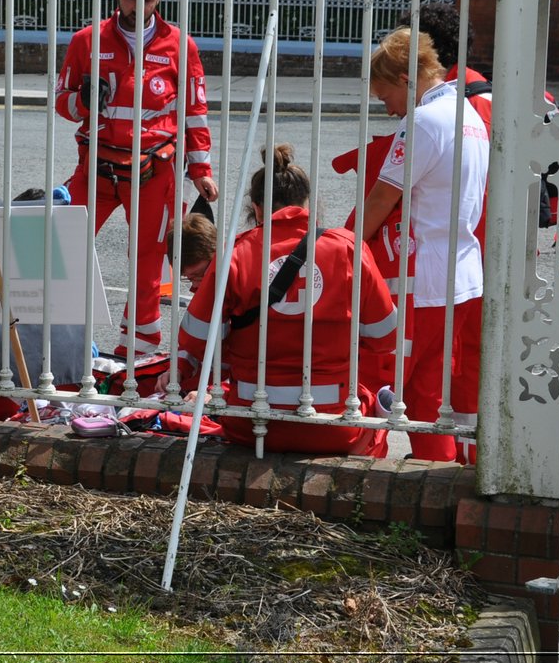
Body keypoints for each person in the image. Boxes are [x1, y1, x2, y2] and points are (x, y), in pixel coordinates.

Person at [176, 145, 398, 456]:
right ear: (307, 202)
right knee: (374, 409)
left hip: (251, 426)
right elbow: (386, 337)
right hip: (334, 426)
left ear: (256, 209)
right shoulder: (348, 248)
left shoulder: (235, 252)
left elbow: (196, 337)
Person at [54, 0, 217, 360]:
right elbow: (62, 103)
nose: (137, 7)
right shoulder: (86, 41)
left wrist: (201, 170)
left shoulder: (181, 46)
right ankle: (57, 343)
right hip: (97, 168)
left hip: (154, 173)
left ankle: (138, 356)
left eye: (146, 0)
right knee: (60, 247)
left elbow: (193, 113)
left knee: (146, 266)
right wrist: (83, 101)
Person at [357, 27, 490, 461]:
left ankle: (418, 464)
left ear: (403, 79)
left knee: (399, 384)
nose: (390, 111)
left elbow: (380, 198)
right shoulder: (468, 115)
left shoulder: (424, 122)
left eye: (385, 98)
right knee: (432, 390)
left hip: (424, 279)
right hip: (464, 272)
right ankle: (441, 468)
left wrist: (346, 244)